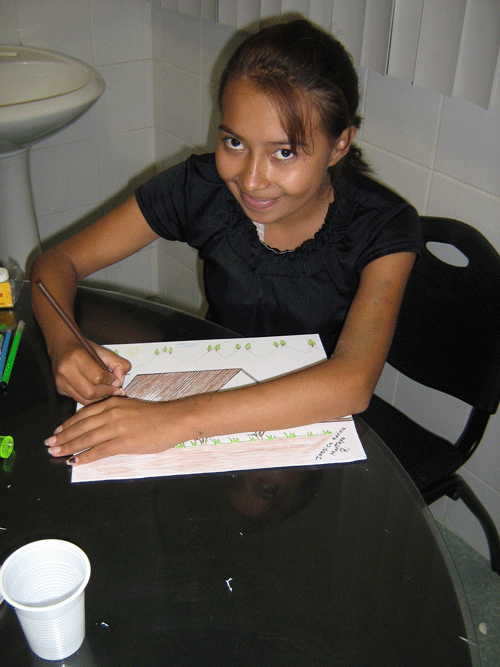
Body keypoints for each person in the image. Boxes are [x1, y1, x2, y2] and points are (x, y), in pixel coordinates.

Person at [31, 18, 420, 466]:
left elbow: (351, 383)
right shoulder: (203, 188)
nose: (251, 180)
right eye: (234, 142)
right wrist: (65, 343)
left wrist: (173, 421)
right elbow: (57, 263)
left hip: (311, 424)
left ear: (339, 145)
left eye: (284, 152)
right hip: (211, 393)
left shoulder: (383, 226)